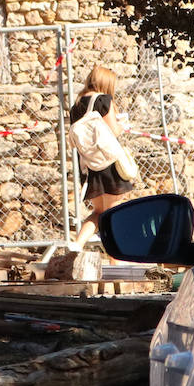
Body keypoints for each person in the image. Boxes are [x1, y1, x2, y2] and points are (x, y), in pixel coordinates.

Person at [69, 65, 135, 251]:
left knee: (98, 213)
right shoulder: (104, 101)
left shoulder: (77, 105)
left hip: (91, 166)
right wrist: (123, 125)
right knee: (114, 214)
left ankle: (77, 244)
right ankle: (117, 259)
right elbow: (113, 131)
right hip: (110, 165)